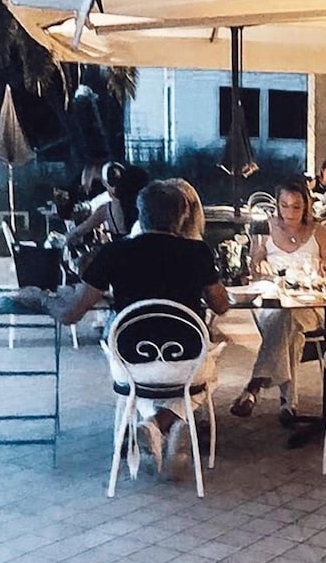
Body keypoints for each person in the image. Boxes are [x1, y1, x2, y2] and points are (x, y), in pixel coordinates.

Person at [44, 180, 231, 475]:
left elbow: (72, 313)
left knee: (142, 384)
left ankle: (153, 424)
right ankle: (165, 422)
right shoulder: (198, 252)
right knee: (209, 373)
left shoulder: (115, 252)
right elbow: (221, 306)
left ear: (140, 215)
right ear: (183, 216)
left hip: (130, 363)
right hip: (186, 362)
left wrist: (42, 300)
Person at [230, 179, 326, 422]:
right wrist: (260, 266)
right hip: (272, 301)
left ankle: (255, 386)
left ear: (306, 206)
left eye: (296, 207)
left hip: (310, 303)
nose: (290, 213)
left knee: (287, 319)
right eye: (284, 206)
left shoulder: (319, 232)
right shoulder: (266, 229)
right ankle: (287, 404)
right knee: (286, 322)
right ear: (277, 205)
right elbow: (255, 269)